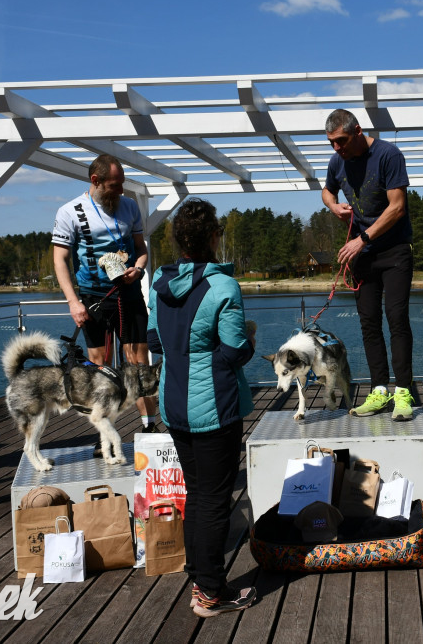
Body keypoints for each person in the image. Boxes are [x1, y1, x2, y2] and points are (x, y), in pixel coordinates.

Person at [146, 198, 256, 616]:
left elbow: (154, 342)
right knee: (213, 500)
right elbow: (235, 351)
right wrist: (249, 339)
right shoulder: (223, 286)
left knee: (197, 494)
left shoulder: (160, 282)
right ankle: (210, 592)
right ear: (213, 237)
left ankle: (200, 577)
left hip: (174, 404)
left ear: (179, 240)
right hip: (214, 408)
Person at [51, 153, 158, 434]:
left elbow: (141, 248)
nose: (121, 190)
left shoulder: (130, 206)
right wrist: (73, 303)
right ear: (95, 180)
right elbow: (60, 260)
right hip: (94, 298)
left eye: (122, 184)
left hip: (129, 294)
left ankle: (149, 428)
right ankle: (105, 435)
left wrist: (139, 269)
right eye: (114, 185)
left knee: (139, 363)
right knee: (100, 368)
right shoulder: (70, 211)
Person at [322, 109, 415, 421]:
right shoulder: (337, 161)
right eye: (332, 142)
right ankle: (379, 390)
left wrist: (362, 239)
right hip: (362, 255)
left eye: (341, 141)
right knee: (369, 323)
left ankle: (403, 391)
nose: (337, 148)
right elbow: (327, 190)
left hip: (394, 251)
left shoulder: (388, 155)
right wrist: (333, 206)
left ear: (358, 131)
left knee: (397, 318)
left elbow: (397, 207)